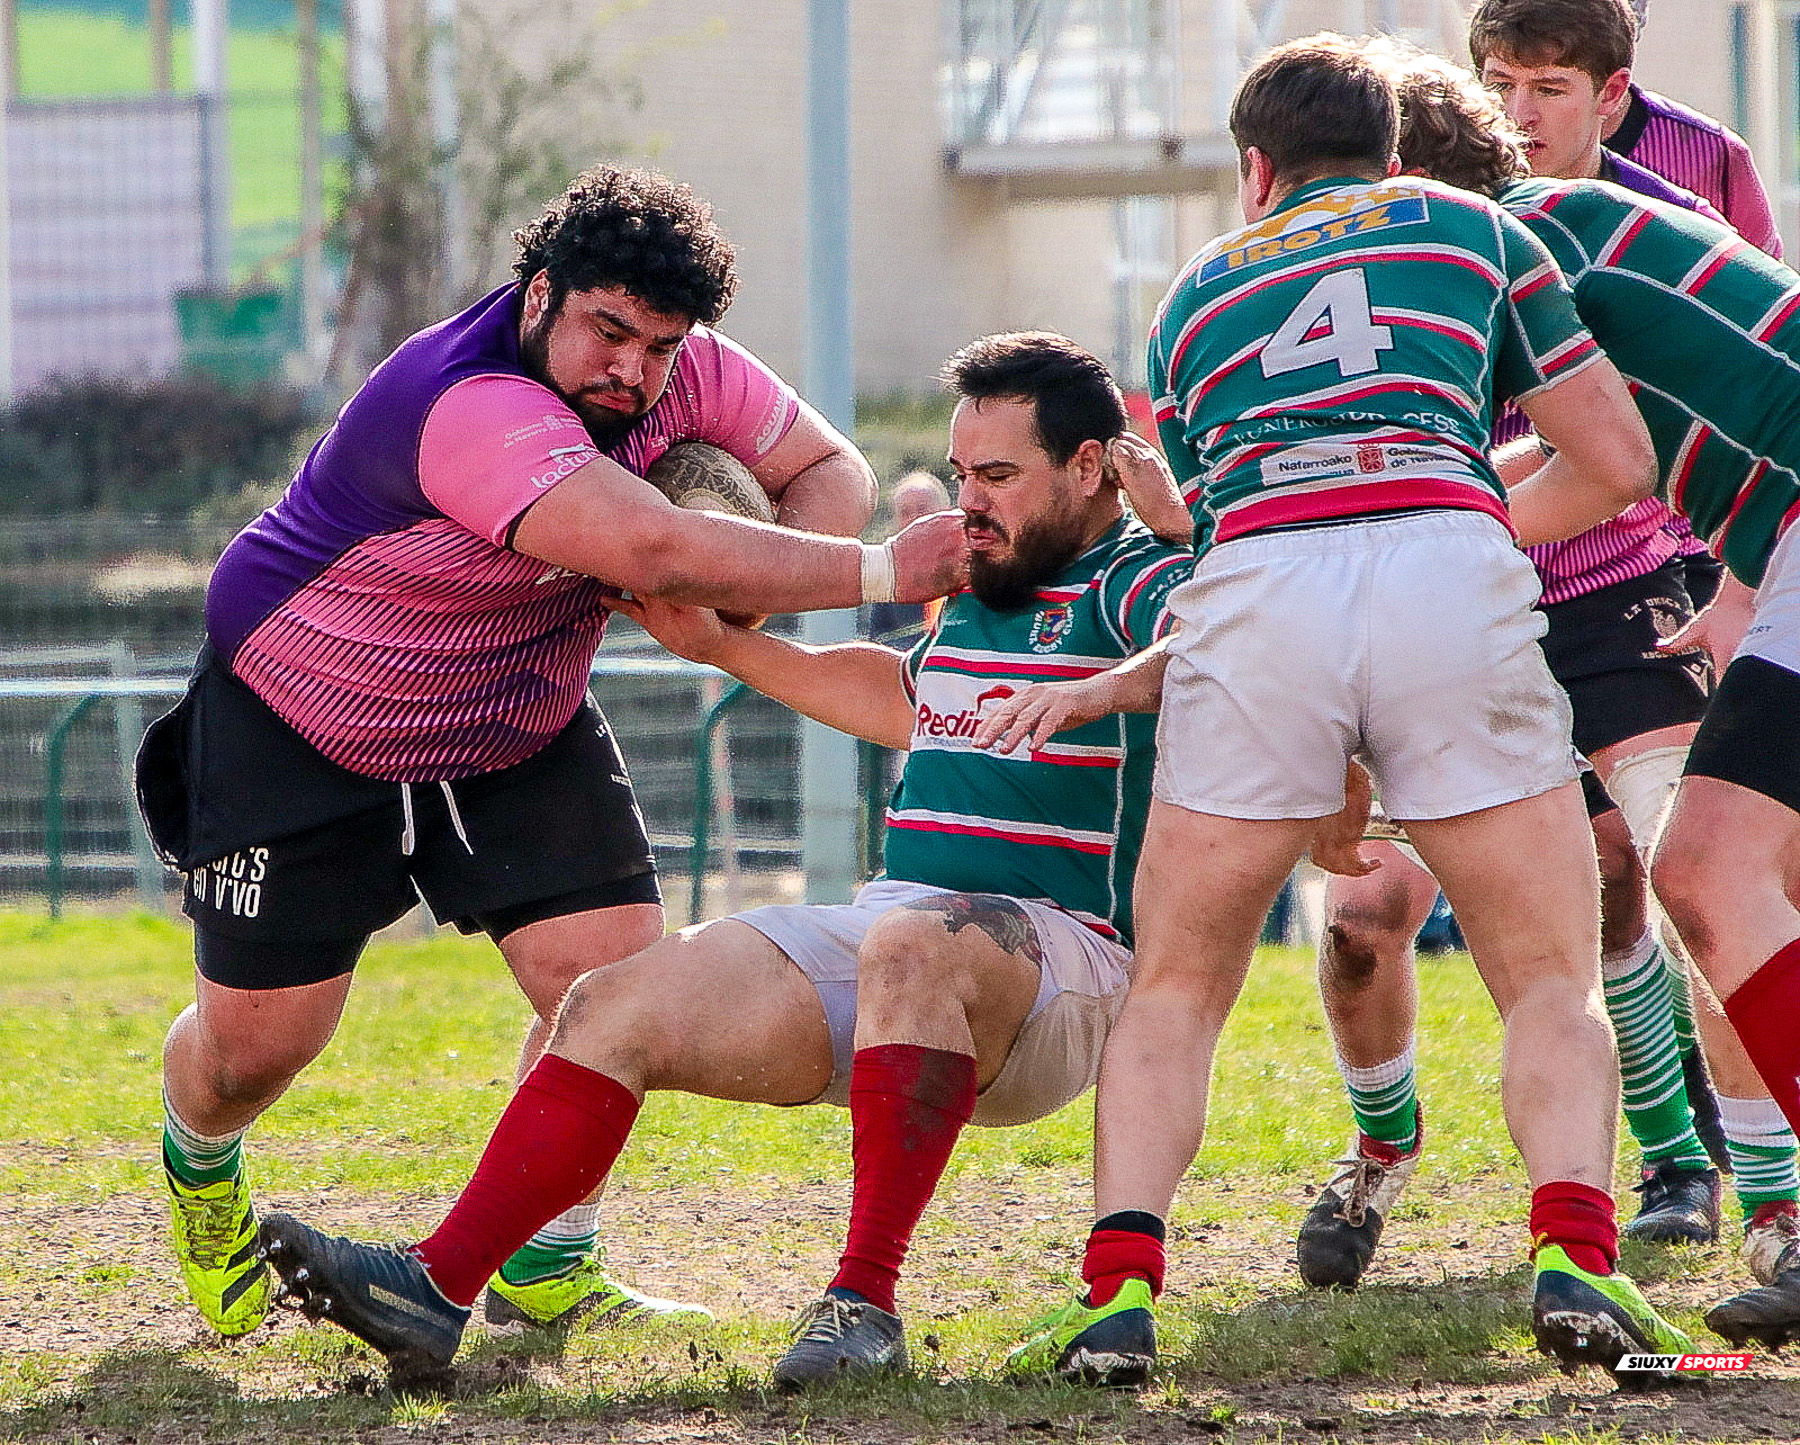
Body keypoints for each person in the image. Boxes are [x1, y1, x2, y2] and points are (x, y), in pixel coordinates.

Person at [245, 332, 1193, 1388]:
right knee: (612, 1000)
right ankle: (433, 1287)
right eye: (963, 473)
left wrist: (1125, 644)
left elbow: (1220, 648)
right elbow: (904, 698)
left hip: (1062, 971)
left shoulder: (1144, 579)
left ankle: (863, 1302)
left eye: (1000, 477)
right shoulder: (987, 572)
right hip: (898, 938)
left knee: (913, 945)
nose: (969, 502)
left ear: (1090, 466)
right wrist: (723, 645)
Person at [137, 164, 968, 1341]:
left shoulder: (689, 372)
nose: (632, 367)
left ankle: (546, 1261)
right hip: (302, 707)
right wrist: (882, 571)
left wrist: (756, 588)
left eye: (660, 344)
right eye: (606, 330)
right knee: (258, 1045)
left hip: (511, 708)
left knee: (613, 984)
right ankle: (204, 1167)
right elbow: (655, 548)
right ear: (539, 297)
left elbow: (831, 470)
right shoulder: (465, 398)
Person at [996, 36, 1692, 1388]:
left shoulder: (1194, 295)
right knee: (1548, 974)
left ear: (1255, 167)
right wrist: (1454, 505)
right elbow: (1612, 458)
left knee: (1181, 983)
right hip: (1446, 567)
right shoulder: (1475, 230)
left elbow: (1215, 519)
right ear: (1391, 146)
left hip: (1261, 593)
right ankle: (1575, 1254)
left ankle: (1119, 1292)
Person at [1306, 42, 1800, 1349]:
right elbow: (1622, 427)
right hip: (1785, 537)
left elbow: (1614, 460)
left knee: (1708, 866)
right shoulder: (1551, 236)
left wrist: (1409, 541)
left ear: (1400, 193)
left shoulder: (1519, 254)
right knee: (1716, 868)